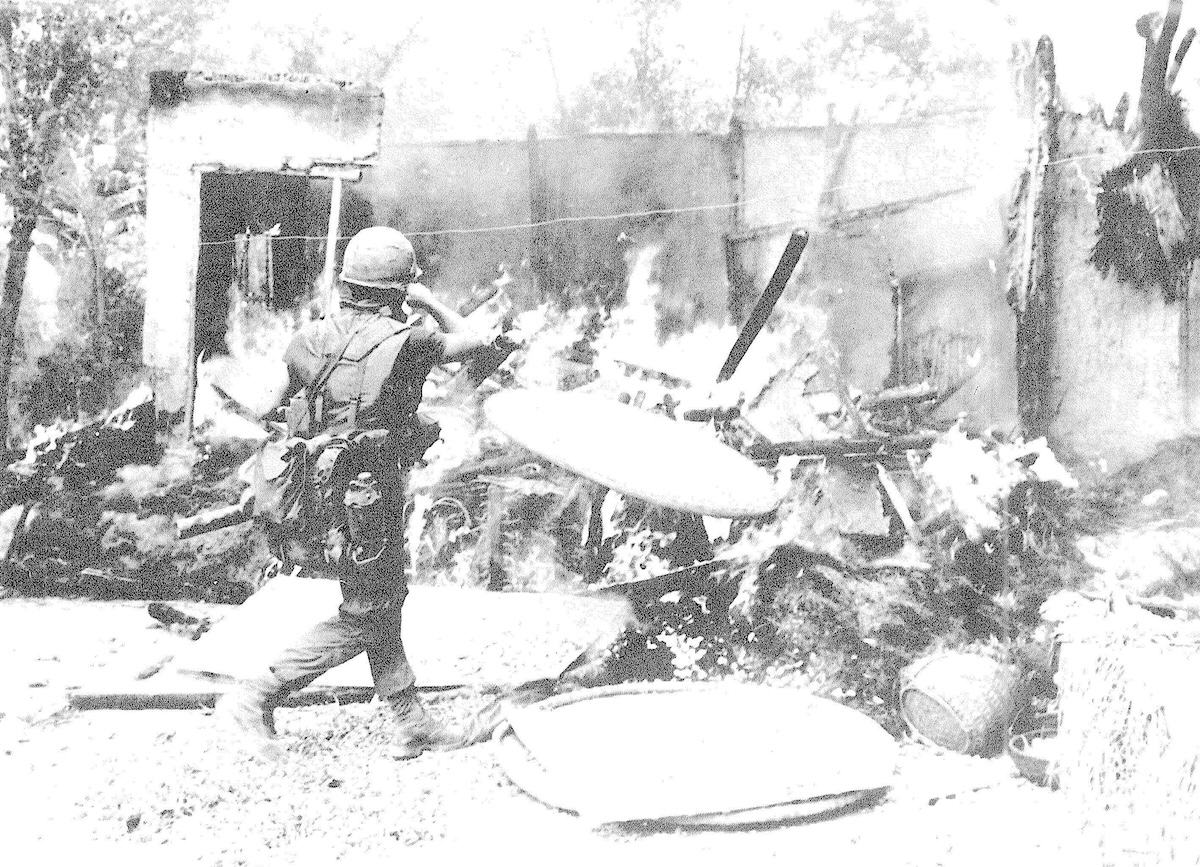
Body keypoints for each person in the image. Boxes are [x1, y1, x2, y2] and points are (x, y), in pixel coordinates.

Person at [216, 226, 495, 760]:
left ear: (345, 284)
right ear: (398, 289)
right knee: (369, 608)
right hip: (371, 497)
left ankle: (410, 720)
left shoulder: (309, 339)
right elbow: (483, 343)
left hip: (319, 494)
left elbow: (268, 405)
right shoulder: (410, 341)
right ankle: (255, 693)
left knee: (378, 596)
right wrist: (429, 299)